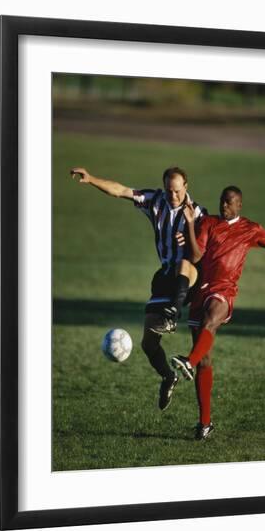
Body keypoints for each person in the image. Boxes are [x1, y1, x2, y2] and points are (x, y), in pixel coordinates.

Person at [171, 185, 265, 440]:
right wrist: (190, 224)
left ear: (239, 205)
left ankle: (188, 362)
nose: (224, 206)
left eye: (229, 202)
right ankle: (205, 423)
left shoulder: (251, 229)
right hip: (201, 291)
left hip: (225, 291)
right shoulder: (208, 223)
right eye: (222, 200)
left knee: (210, 322)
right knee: (206, 361)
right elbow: (197, 256)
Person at [70, 166, 206, 410]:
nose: (172, 196)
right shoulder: (155, 201)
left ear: (186, 187)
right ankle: (168, 376)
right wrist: (91, 179)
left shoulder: (198, 213)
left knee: (184, 263)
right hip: (166, 276)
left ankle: (173, 315)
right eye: (168, 190)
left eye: (176, 191)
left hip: (191, 276)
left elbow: (203, 252)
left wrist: (191, 235)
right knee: (148, 343)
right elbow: (121, 190)